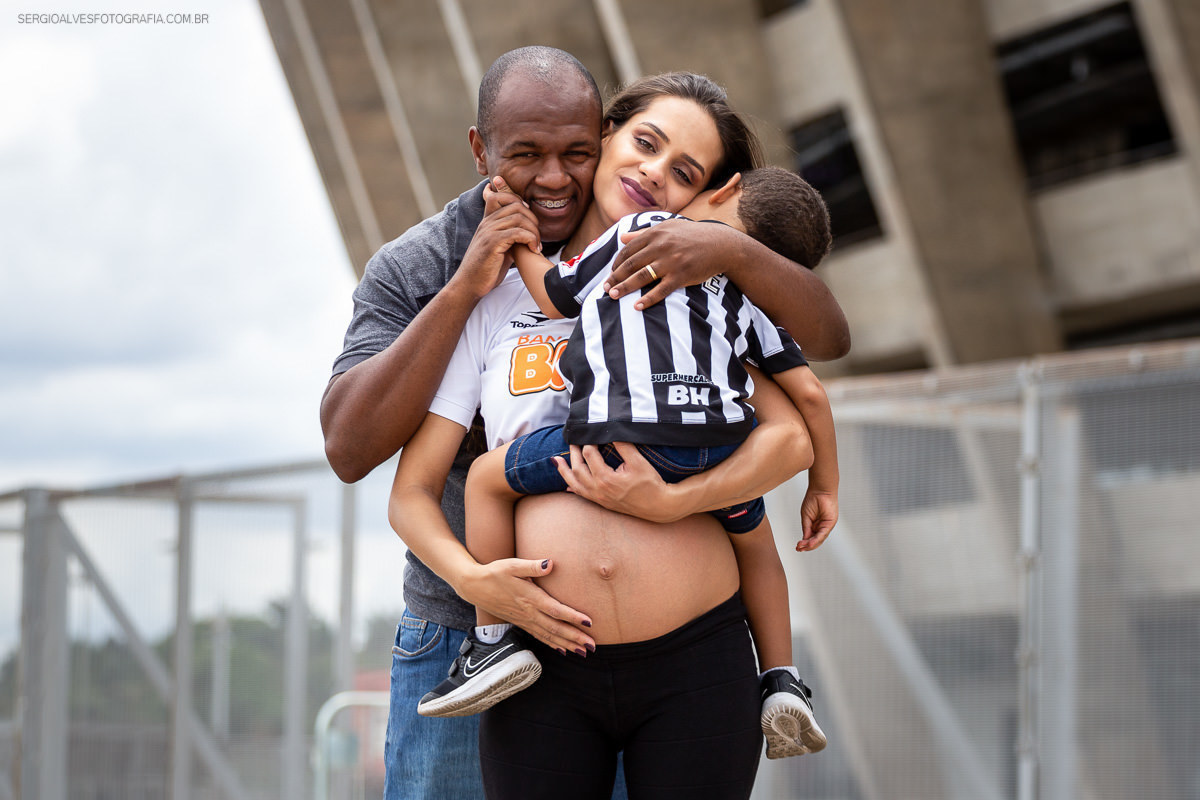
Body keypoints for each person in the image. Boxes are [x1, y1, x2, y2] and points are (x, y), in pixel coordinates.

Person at [327, 46, 848, 798]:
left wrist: (675, 499)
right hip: (504, 647)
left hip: (687, 651)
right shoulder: (469, 281)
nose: (553, 176)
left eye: (572, 151)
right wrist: (482, 587)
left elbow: (796, 421)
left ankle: (780, 678)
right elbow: (362, 458)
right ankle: (493, 644)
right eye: (527, 155)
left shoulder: (693, 287)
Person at [418, 166, 839, 763]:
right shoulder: (750, 299)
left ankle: (491, 641)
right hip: (712, 452)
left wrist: (520, 245)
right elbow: (814, 399)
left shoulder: (641, 232)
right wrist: (825, 486)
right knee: (760, 548)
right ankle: (781, 678)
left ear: (723, 188)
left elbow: (556, 293)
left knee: (489, 479)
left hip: (621, 447)